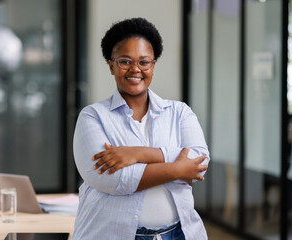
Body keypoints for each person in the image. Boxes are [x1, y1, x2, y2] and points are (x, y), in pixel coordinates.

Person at [72, 17, 210, 240]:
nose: (135, 69)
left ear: (153, 65)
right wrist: (177, 169)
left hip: (178, 234)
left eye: (144, 62)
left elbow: (199, 162)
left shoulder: (179, 112)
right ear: (111, 65)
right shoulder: (93, 116)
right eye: (125, 61)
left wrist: (136, 153)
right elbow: (112, 180)